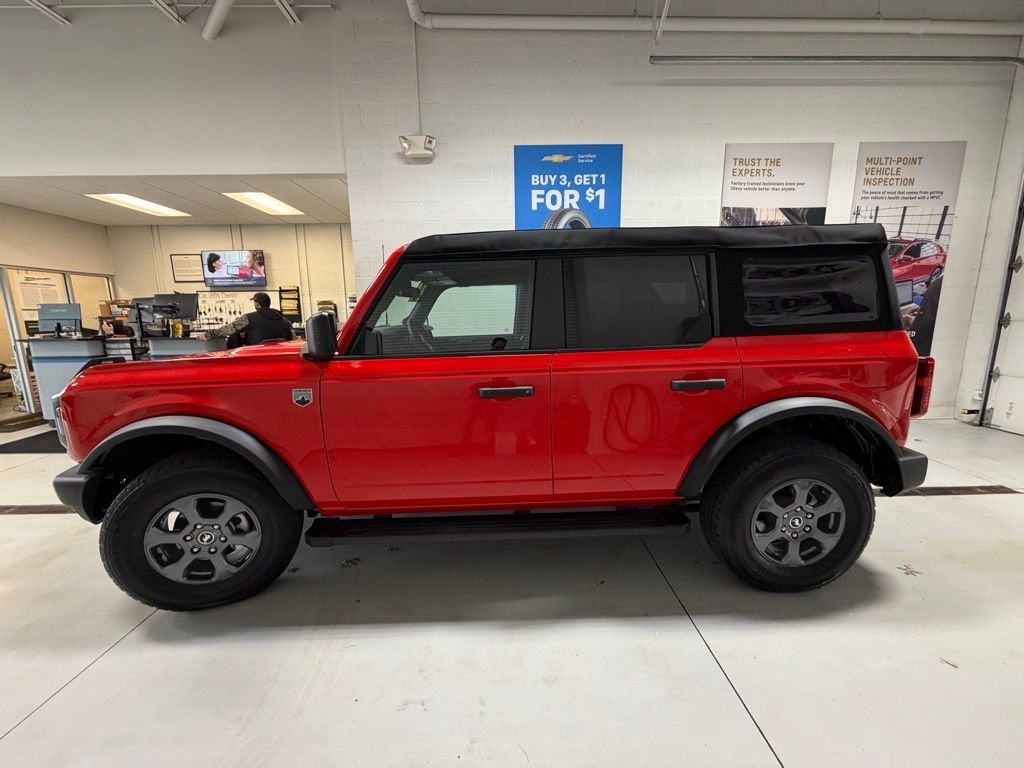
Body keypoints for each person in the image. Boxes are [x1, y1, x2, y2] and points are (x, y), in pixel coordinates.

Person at [204, 292, 293, 346]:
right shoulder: (285, 320)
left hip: (255, 358)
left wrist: (209, 334)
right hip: (279, 359)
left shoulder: (248, 318)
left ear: (257, 304)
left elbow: (229, 329)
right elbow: (293, 340)